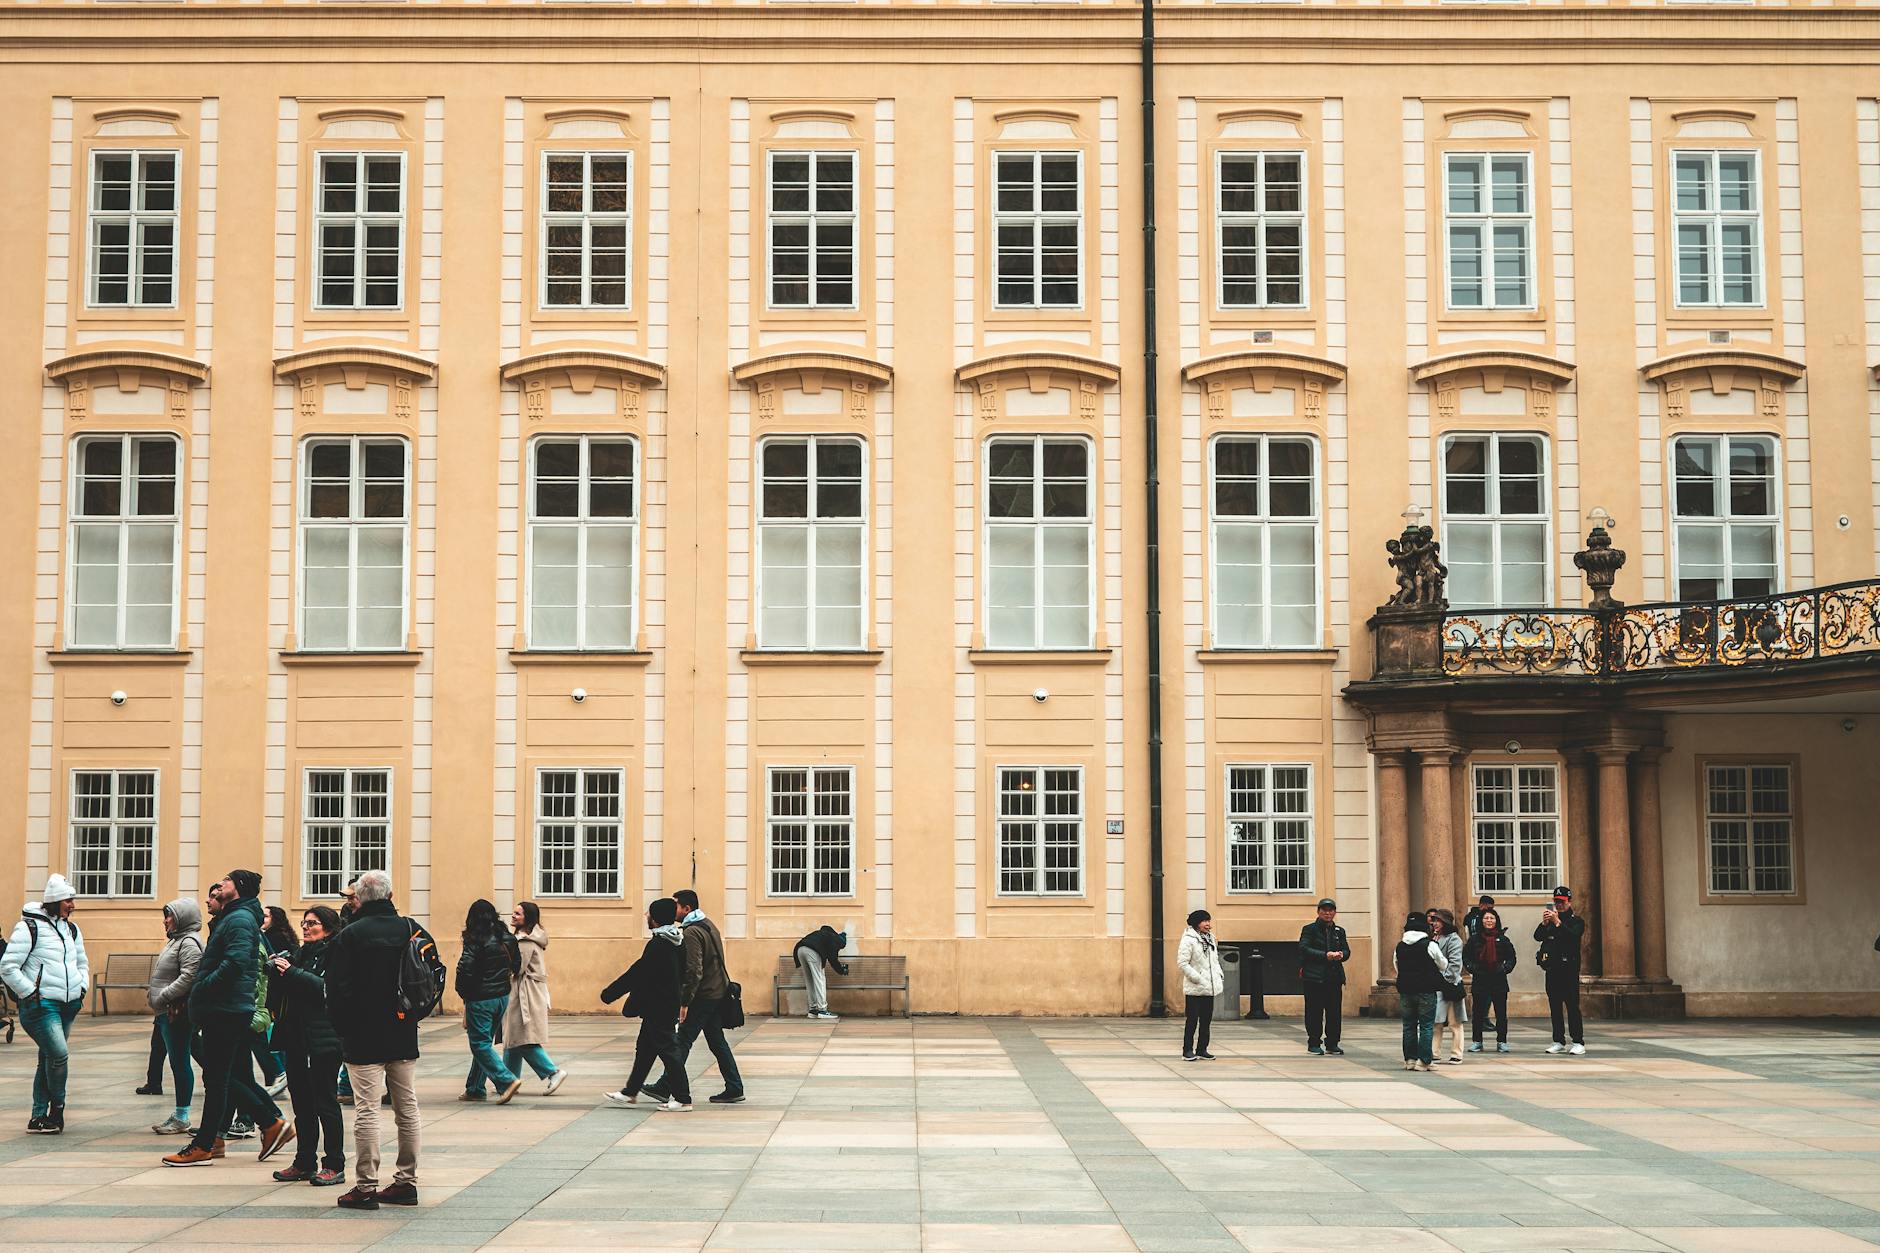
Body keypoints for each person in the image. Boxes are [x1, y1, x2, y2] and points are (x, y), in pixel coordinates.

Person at [325, 868, 442, 1210]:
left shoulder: (350, 935)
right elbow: (434, 976)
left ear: (359, 900)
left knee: (367, 1110)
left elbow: (335, 988)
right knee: (407, 1108)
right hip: (402, 1030)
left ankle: (365, 1187)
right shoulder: (411, 928)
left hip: (362, 1034)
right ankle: (406, 1182)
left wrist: (342, 1027)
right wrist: (414, 1015)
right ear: (390, 896)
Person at [163, 870, 291, 1166]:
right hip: (226, 1007)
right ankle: (222, 1137)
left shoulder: (239, 919)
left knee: (218, 1078)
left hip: (226, 1009)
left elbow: (236, 962)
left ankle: (213, 1142)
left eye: (227, 881)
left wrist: (202, 988)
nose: (220, 884)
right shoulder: (234, 917)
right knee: (229, 1076)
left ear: (239, 888)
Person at [2, 873, 90, 1134]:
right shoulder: (29, 927)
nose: (72, 905)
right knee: (59, 1055)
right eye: (68, 900)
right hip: (42, 1006)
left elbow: (82, 962)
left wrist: (81, 986)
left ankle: (38, 1116)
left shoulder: (71, 929)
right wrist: (30, 992)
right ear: (55, 900)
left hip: (68, 1004)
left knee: (49, 1057)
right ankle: (57, 1111)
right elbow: (8, 966)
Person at [269, 905, 346, 1186]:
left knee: (325, 1101)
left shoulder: (335, 954)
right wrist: (278, 972)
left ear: (328, 927)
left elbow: (326, 989)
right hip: (296, 1036)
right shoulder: (300, 953)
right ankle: (304, 1161)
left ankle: (334, 1163)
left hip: (324, 1038)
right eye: (304, 923)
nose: (305, 927)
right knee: (301, 1102)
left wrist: (291, 973)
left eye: (312, 923)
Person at [643, 889, 743, 1105]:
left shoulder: (691, 933)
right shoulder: (708, 924)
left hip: (704, 995)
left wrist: (685, 1002)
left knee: (682, 1040)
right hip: (717, 991)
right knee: (717, 1042)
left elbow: (693, 969)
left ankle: (665, 1085)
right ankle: (735, 1087)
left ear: (686, 908)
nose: (673, 910)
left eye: (676, 906)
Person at [601, 897, 691, 1112]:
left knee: (669, 1052)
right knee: (645, 1050)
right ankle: (630, 1092)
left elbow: (638, 972)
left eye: (649, 913)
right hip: (663, 1005)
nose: (646, 916)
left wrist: (610, 993)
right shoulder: (676, 940)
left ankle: (683, 1098)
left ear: (656, 918)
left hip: (659, 1007)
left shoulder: (659, 944)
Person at [456, 898, 523, 1105]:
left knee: (479, 1044)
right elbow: (517, 965)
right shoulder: (507, 937)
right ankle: (475, 1088)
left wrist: (463, 993)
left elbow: (465, 969)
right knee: (484, 1042)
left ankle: (506, 1080)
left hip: (480, 998)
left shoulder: (475, 939)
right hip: (501, 996)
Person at [147, 897, 203, 1134]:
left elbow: (190, 975)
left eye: (169, 915)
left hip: (175, 1012)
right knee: (193, 1059)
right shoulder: (176, 941)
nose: (165, 920)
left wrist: (164, 996)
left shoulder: (188, 942)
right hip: (166, 1011)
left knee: (180, 1063)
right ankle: (182, 1114)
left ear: (182, 917)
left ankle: (182, 1116)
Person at [501, 901, 568, 1095]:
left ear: (527, 918)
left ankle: (552, 1072)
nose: (513, 916)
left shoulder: (525, 941)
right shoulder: (528, 938)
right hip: (526, 991)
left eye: (518, 914)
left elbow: (517, 968)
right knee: (514, 1037)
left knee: (522, 1038)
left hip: (525, 993)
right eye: (514, 912)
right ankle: (508, 1081)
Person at [1393, 910, 1448, 1072]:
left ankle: (1410, 1060)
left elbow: (1396, 966)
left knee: (1408, 1026)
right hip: (1426, 990)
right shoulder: (1430, 945)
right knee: (1426, 1026)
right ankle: (1424, 1061)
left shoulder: (1400, 946)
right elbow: (1443, 964)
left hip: (1406, 990)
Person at [1535, 885, 1587, 1055]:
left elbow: (1572, 937)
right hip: (1552, 970)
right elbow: (1537, 936)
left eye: (1562, 902)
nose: (1559, 905)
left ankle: (1578, 1041)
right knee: (1555, 1007)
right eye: (1556, 901)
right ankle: (1558, 1040)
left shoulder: (1576, 921)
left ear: (1569, 902)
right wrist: (1544, 924)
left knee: (1572, 1007)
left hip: (1569, 971)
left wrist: (1558, 923)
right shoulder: (1550, 922)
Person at [1298, 897, 1349, 1056]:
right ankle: (1314, 1043)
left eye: (1330, 910)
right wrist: (1325, 955)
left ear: (1334, 913)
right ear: (1318, 912)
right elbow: (1304, 948)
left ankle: (1332, 1043)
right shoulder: (1309, 929)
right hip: (1314, 977)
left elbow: (1347, 950)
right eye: (1324, 910)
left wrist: (1341, 955)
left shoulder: (1339, 931)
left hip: (1334, 977)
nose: (1327, 913)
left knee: (1334, 1012)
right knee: (1314, 1011)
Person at [257, 905, 298, 1097]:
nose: (262, 919)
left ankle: (279, 1073)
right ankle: (277, 1076)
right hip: (278, 993)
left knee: (265, 1037)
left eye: (266, 916)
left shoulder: (274, 937)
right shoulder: (284, 935)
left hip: (273, 993)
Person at [1464, 907, 1516, 1054]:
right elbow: (1466, 957)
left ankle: (1502, 1041)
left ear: (1496, 921)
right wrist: (1473, 968)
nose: (1489, 920)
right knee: (1478, 1013)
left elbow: (1511, 957)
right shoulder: (1474, 939)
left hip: (1499, 980)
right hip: (1480, 979)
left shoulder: (1503, 939)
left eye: (1492, 918)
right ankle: (1477, 1041)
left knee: (1501, 1014)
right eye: (1486, 918)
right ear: (1481, 921)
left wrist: (1505, 968)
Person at [1177, 909, 1223, 1061]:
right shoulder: (1188, 939)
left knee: (1206, 1020)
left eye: (1209, 921)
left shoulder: (1210, 938)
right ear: (1197, 923)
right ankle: (1187, 1050)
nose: (1208, 924)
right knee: (1192, 1021)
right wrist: (1197, 978)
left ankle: (1202, 1049)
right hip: (1194, 987)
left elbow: (1214, 961)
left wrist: (1219, 974)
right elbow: (1182, 963)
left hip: (1209, 987)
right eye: (1205, 921)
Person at [1428, 908, 1467, 1065]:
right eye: (1434, 920)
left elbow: (1455, 965)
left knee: (1455, 1022)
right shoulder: (1433, 938)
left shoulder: (1454, 940)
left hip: (1451, 986)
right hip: (1436, 986)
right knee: (1436, 1022)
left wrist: (1443, 980)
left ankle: (1456, 1053)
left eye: (1438, 921)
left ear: (1446, 923)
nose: (1435, 923)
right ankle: (1434, 1053)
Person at [791, 924, 849, 1021]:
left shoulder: (821, 934)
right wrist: (841, 970)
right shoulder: (834, 939)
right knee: (820, 979)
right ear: (840, 942)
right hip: (812, 951)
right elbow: (833, 959)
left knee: (810, 980)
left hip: (800, 949)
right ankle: (822, 1010)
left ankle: (813, 1010)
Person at [138, 1020, 167, 1096]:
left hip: (167, 1017)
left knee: (157, 1049)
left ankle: (154, 1084)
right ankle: (154, 1084)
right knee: (157, 1049)